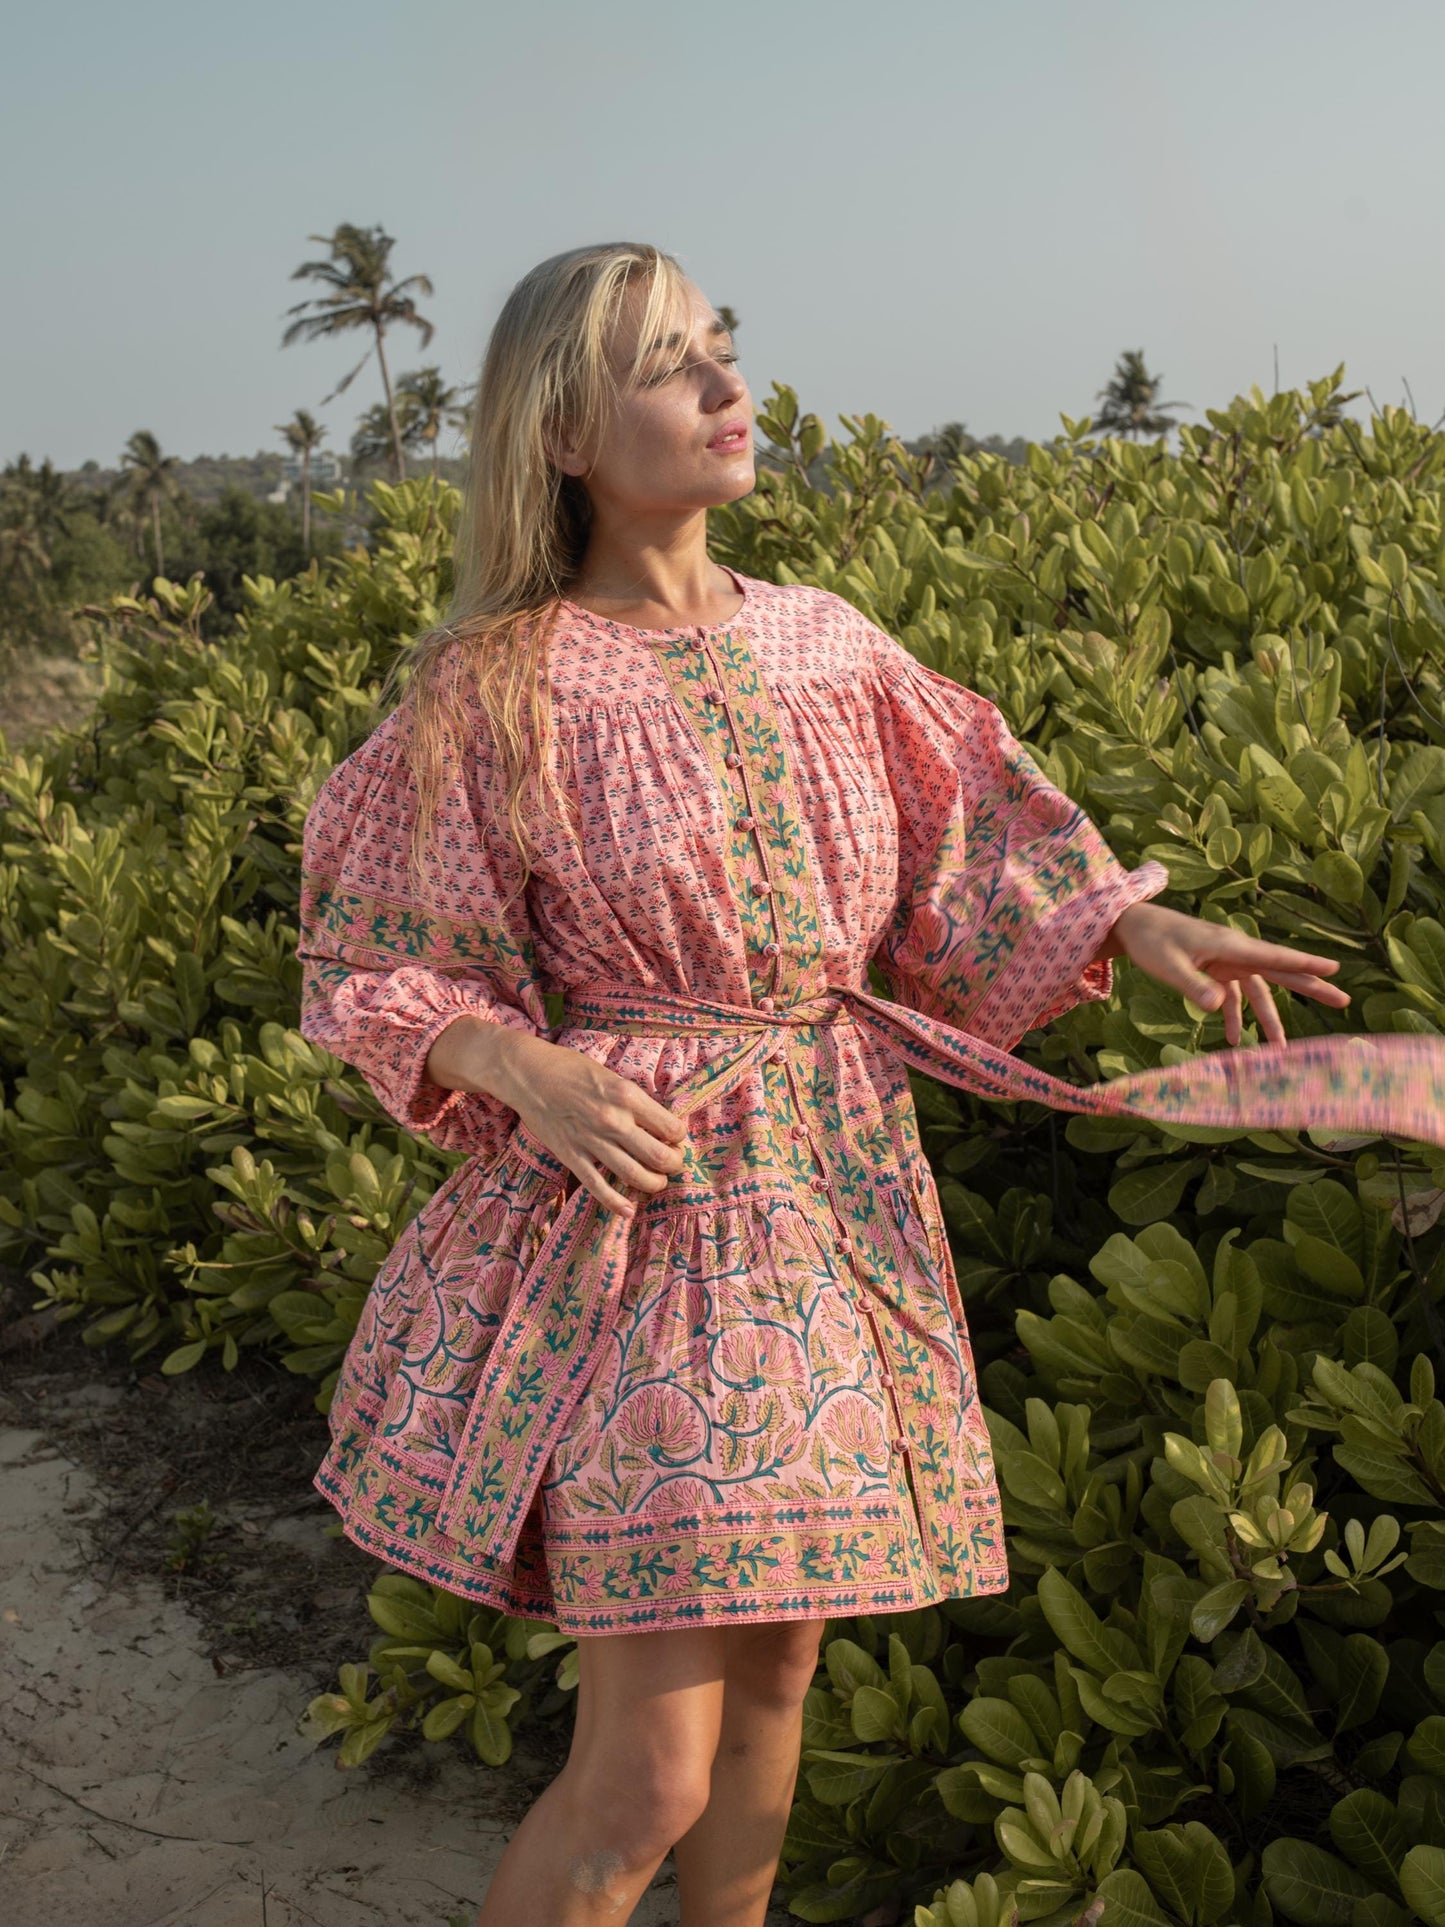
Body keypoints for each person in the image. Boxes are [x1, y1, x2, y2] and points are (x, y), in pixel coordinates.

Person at [294, 242, 1443, 1927]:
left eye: (723, 347)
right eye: (669, 364)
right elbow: (376, 961)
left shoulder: (827, 643)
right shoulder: (497, 686)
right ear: (559, 432)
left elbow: (967, 837)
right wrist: (521, 1067)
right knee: (644, 1778)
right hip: (640, 1225)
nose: (726, 387)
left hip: (834, 1195)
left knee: (775, 1698)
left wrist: (1136, 925)